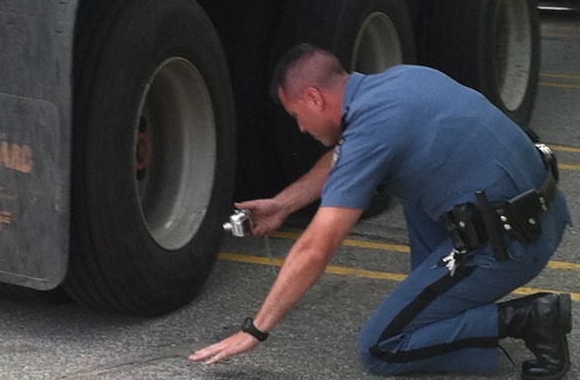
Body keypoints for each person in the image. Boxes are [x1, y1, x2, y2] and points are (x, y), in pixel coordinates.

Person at [190, 43, 573, 378]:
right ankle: (444, 310)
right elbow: (345, 159)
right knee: (406, 180)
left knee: (383, 346)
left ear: (314, 97)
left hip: (512, 245)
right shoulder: (400, 82)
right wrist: (283, 205)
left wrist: (255, 330)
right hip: (542, 214)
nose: (301, 129)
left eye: (296, 116)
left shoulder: (372, 131)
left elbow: (315, 249)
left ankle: (530, 318)